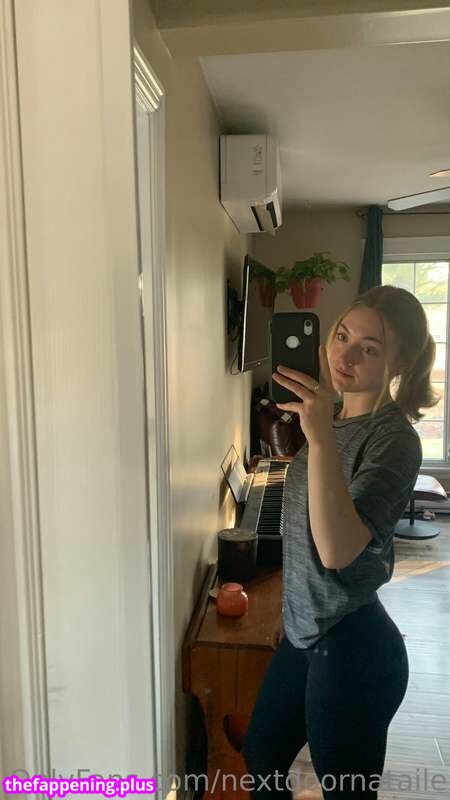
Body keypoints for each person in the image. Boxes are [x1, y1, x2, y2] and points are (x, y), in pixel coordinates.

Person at [242, 285, 439, 799]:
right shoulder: (330, 419)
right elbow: (307, 527)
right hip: (305, 631)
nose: (344, 356)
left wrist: (320, 438)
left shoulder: (393, 440)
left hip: (353, 648)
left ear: (399, 364)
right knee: (261, 756)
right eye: (343, 336)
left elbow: (336, 550)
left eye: (368, 349)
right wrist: (290, 608)